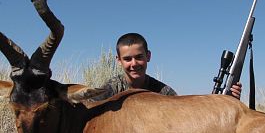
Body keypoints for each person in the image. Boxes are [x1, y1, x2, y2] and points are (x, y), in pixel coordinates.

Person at [95, 33, 242, 100]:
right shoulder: (110, 90)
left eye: (139, 57)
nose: (134, 64)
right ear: (118, 60)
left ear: (148, 56)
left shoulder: (164, 92)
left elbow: (184, 114)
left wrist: (223, 101)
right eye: (127, 59)